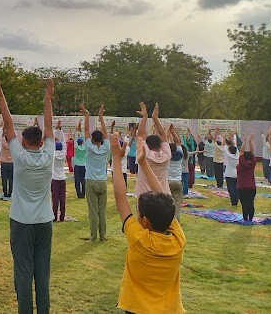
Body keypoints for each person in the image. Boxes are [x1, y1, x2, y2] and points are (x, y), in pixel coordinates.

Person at [111, 132, 186, 314]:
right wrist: (143, 163)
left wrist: (116, 157)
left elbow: (120, 196)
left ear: (144, 221)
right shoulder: (178, 239)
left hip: (137, 309)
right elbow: (164, 198)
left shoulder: (139, 239)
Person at [0, 78, 54, 313]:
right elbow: (49, 125)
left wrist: (1, 97)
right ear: (41, 142)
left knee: (23, 273)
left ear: (23, 141)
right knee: (42, 273)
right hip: (44, 221)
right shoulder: (49, 155)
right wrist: (47, 99)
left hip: (22, 222)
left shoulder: (19, 157)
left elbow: (8, 123)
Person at [81, 103, 109, 242]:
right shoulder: (106, 147)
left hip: (91, 181)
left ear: (92, 139)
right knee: (102, 211)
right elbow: (105, 133)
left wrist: (87, 115)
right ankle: (103, 236)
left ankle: (93, 236)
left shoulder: (89, 146)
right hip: (102, 181)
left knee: (93, 211)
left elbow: (86, 129)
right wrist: (100, 117)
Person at [133, 103, 170, 198]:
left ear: (148, 145)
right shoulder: (167, 155)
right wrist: (155, 118)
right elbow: (163, 136)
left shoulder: (145, 155)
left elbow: (140, 134)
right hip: (163, 195)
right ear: (160, 145)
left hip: (145, 196)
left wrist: (145, 117)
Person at [167, 125, 186, 221]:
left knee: (167, 204)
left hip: (168, 181)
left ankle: (169, 221)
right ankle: (177, 221)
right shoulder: (180, 155)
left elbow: (164, 142)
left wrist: (167, 131)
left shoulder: (166, 156)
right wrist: (173, 132)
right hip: (178, 181)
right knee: (177, 205)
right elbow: (178, 142)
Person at [237, 134, 257, 222]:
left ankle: (245, 219)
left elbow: (241, 152)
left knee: (244, 204)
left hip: (242, 187)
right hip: (252, 187)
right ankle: (251, 219)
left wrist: (244, 142)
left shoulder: (241, 164)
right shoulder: (252, 164)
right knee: (250, 203)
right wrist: (250, 142)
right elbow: (252, 153)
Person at [51, 139, 66, 222]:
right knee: (62, 199)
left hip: (55, 178)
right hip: (62, 178)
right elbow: (64, 146)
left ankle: (54, 216)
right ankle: (62, 217)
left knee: (55, 199)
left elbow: (51, 148)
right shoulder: (63, 154)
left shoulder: (53, 155)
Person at [224, 138, 239, 207]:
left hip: (229, 174)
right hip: (236, 174)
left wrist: (224, 137)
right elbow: (235, 147)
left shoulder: (229, 156)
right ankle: (236, 201)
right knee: (235, 188)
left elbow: (224, 146)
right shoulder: (237, 155)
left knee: (231, 189)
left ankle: (233, 202)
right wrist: (233, 137)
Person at [72, 121, 87, 199]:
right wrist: (81, 132)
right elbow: (84, 140)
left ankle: (79, 194)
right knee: (83, 180)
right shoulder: (85, 148)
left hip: (77, 166)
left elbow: (75, 138)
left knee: (77, 181)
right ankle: (83, 194)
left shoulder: (76, 148)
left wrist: (77, 131)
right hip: (83, 165)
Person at [0, 131, 14, 199]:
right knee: (11, 179)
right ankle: (10, 193)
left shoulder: (3, 142)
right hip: (11, 163)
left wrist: (4, 126)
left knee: (4, 179)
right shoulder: (12, 145)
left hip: (4, 163)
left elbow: (2, 135)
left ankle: (5, 193)